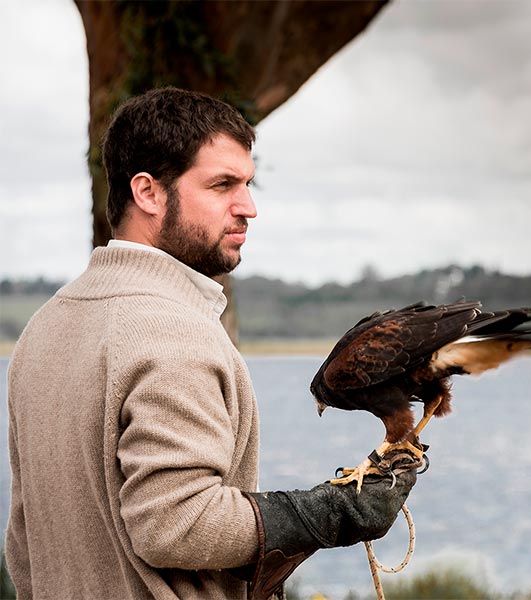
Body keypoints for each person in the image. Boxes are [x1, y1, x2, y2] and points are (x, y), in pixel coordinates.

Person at [4, 87, 415, 599]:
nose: (248, 207)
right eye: (222, 185)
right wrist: (328, 513)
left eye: (247, 183)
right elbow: (175, 524)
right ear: (148, 192)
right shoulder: (174, 335)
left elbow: (22, 544)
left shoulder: (44, 328)